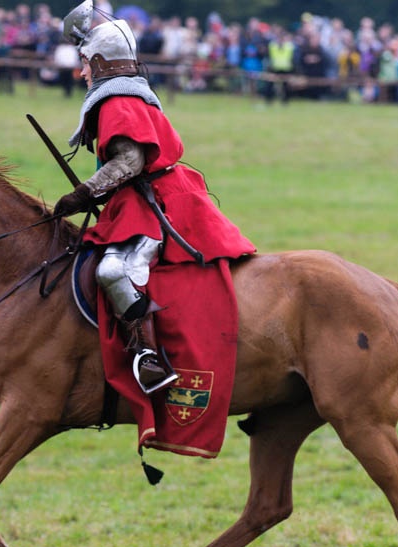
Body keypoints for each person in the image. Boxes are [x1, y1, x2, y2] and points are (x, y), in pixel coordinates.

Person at [52, 0, 255, 395]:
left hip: (157, 199)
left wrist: (84, 193)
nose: (81, 71)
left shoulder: (118, 102)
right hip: (142, 194)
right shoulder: (121, 96)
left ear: (104, 62)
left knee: (112, 271)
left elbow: (130, 160)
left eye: (86, 62)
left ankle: (148, 359)